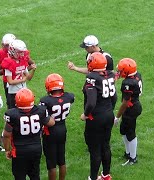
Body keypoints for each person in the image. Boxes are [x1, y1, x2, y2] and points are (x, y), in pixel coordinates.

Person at [3, 88, 55, 180]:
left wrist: (7, 149)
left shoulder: (12, 114)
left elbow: (7, 134)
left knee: (19, 176)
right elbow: (51, 123)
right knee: (35, 176)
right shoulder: (40, 111)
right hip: (36, 149)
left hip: (19, 150)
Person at [80, 52, 116, 180]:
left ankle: (93, 177)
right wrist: (109, 109)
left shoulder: (92, 77)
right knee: (105, 145)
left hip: (96, 117)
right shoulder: (110, 75)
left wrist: (85, 114)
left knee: (95, 149)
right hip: (108, 114)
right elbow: (114, 97)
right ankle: (106, 175)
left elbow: (91, 102)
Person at [39, 73, 75, 180]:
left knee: (51, 164)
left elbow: (42, 116)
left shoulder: (45, 101)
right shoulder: (69, 97)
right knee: (62, 160)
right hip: (62, 128)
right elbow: (68, 99)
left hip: (50, 131)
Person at [114, 58, 142, 166]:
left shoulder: (128, 83)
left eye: (121, 70)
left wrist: (117, 116)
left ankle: (133, 158)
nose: (119, 72)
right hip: (134, 104)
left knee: (130, 132)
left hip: (131, 108)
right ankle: (128, 153)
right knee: (123, 130)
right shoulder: (137, 75)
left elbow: (125, 103)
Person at [1, 39, 36, 109]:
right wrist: (22, 80)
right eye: (20, 52)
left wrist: (33, 70)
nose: (22, 54)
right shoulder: (9, 62)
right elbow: (10, 81)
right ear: (13, 51)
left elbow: (28, 78)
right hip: (14, 92)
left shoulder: (22, 61)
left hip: (23, 91)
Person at [0, 33, 17, 106]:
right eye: (5, 45)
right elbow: (0, 72)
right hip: (7, 80)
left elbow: (29, 64)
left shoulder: (19, 51)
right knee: (10, 102)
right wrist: (8, 68)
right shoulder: (0, 53)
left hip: (18, 79)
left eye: (7, 45)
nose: (5, 47)